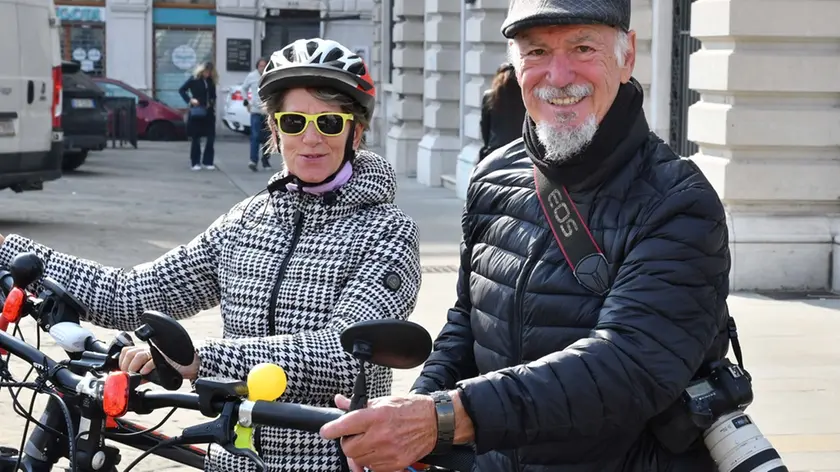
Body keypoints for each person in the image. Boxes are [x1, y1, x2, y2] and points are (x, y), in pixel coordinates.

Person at [319, 0, 732, 471]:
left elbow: (628, 365)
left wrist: (442, 418)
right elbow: (467, 321)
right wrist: (418, 419)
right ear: (515, 65)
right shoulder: (494, 175)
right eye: (536, 52)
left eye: (582, 47)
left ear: (627, 56)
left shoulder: (678, 200)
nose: (558, 76)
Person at [0, 37, 421, 471]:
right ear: (274, 130)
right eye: (294, 121)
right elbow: (135, 293)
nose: (311, 138)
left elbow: (341, 354)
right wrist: (11, 253)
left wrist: (201, 357)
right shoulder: (247, 220)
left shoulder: (388, 232)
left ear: (356, 130)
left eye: (329, 123)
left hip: (328, 461)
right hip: (234, 459)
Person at [479, 62, 526, 162]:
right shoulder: (526, 97)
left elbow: (485, 127)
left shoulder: (490, 96)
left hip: (495, 152)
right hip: (521, 152)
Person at [179, 61, 218, 170]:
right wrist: (190, 100)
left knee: (211, 137)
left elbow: (214, 95)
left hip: (209, 112)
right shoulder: (194, 79)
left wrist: (212, 102)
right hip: (197, 111)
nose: (208, 74)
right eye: (206, 71)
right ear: (201, 71)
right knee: (196, 138)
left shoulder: (211, 81)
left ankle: (208, 161)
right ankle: (195, 162)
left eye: (210, 72)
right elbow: (182, 90)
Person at [241, 57, 273, 172]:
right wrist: (246, 102)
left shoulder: (270, 75)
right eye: (260, 66)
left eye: (264, 66)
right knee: (255, 136)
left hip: (267, 112)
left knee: (267, 138)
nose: (262, 68)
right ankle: (253, 161)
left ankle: (265, 161)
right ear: (257, 66)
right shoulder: (252, 76)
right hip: (255, 110)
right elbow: (243, 89)